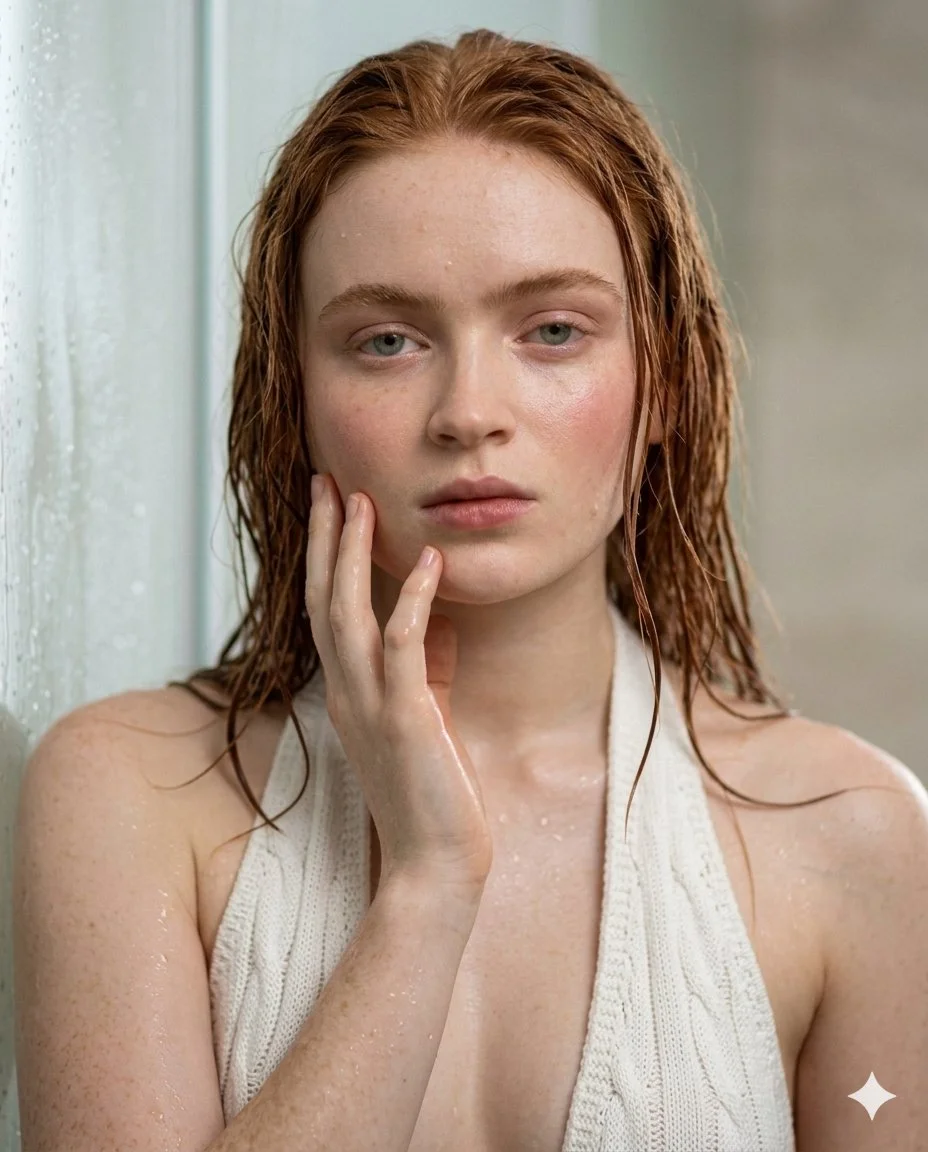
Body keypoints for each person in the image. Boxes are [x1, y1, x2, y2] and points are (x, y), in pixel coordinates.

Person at [12, 27, 928, 1152]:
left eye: (552, 330)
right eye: (388, 340)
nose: (468, 411)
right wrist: (428, 885)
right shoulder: (129, 795)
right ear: (291, 399)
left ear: (668, 384)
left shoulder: (856, 837)